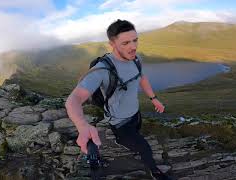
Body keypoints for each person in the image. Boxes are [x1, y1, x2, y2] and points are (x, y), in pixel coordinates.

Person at [65, 19, 171, 180]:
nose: (133, 46)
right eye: (125, 43)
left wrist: (154, 99)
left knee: (136, 133)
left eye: (135, 40)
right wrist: (82, 126)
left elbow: (141, 78)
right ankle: (155, 172)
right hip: (119, 122)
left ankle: (125, 142)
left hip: (136, 114)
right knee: (144, 147)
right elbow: (74, 99)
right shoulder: (102, 69)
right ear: (112, 44)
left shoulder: (136, 59)